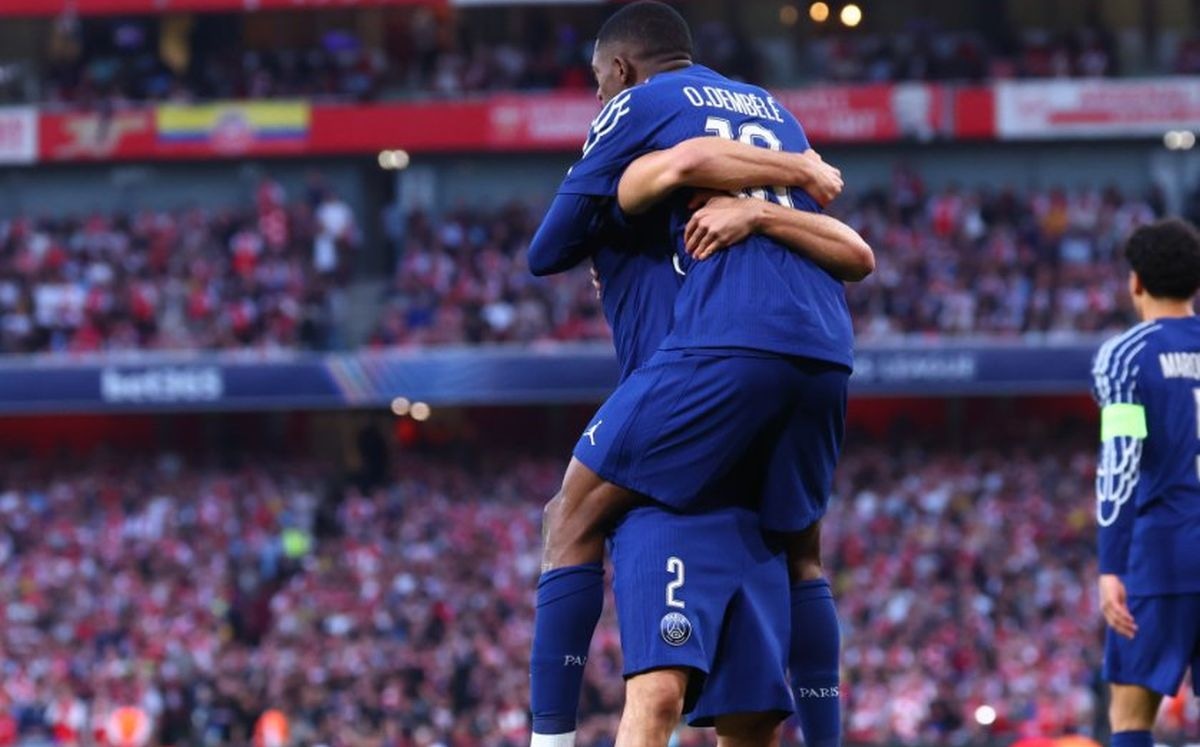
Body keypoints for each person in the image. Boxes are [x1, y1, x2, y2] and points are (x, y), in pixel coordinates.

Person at [526, 5, 868, 744]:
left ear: (620, 70)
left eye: (598, 84)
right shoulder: (772, 113)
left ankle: (547, 737)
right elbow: (858, 254)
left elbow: (550, 247)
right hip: (822, 355)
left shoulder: (636, 129)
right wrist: (787, 180)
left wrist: (756, 202)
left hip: (713, 376)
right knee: (797, 572)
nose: (597, 101)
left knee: (569, 515)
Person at [1091, 218, 1200, 747]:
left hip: (1163, 555)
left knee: (1131, 717)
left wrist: (1110, 565)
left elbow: (1121, 463)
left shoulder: (1127, 356)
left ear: (1136, 281)